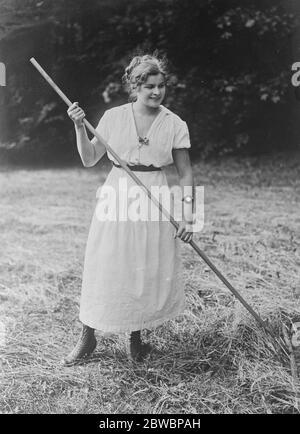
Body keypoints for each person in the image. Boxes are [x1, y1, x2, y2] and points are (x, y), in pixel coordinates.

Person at [62, 54, 194, 365]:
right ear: (134, 87)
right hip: (118, 194)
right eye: (149, 86)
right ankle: (88, 335)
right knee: (105, 262)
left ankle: (136, 340)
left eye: (161, 86)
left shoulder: (174, 123)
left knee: (145, 267)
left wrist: (189, 215)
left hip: (155, 197)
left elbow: (186, 172)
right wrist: (80, 127)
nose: (157, 92)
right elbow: (89, 158)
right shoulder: (113, 118)